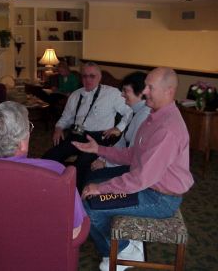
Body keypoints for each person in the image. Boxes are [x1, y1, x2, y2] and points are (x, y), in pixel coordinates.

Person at [72, 67, 194, 271]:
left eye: (150, 87)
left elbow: (140, 179)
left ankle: (125, 249)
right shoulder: (155, 117)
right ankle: (123, 245)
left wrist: (100, 189)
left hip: (158, 198)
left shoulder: (166, 129)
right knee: (93, 187)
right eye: (145, 85)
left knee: (89, 206)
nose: (144, 91)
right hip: (148, 186)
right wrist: (99, 149)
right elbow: (133, 155)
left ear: (169, 91)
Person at [0, 101, 90, 238]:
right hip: (36, 255)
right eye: (29, 128)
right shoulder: (56, 173)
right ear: (21, 144)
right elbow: (75, 231)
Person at [42, 61, 132, 192]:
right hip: (77, 134)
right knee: (50, 156)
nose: (88, 79)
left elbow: (129, 112)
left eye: (92, 76)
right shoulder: (75, 95)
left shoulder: (112, 94)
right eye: (84, 76)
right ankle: (46, 185)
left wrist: (118, 128)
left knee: (81, 165)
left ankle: (73, 195)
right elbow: (66, 117)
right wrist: (58, 128)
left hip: (98, 138)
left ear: (99, 77)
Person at [85, 71, 151, 183]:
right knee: (87, 167)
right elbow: (121, 142)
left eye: (126, 91)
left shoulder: (144, 117)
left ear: (140, 93)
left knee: (92, 178)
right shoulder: (134, 112)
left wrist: (106, 163)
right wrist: (103, 158)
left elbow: (132, 154)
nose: (122, 95)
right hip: (127, 159)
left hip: (137, 168)